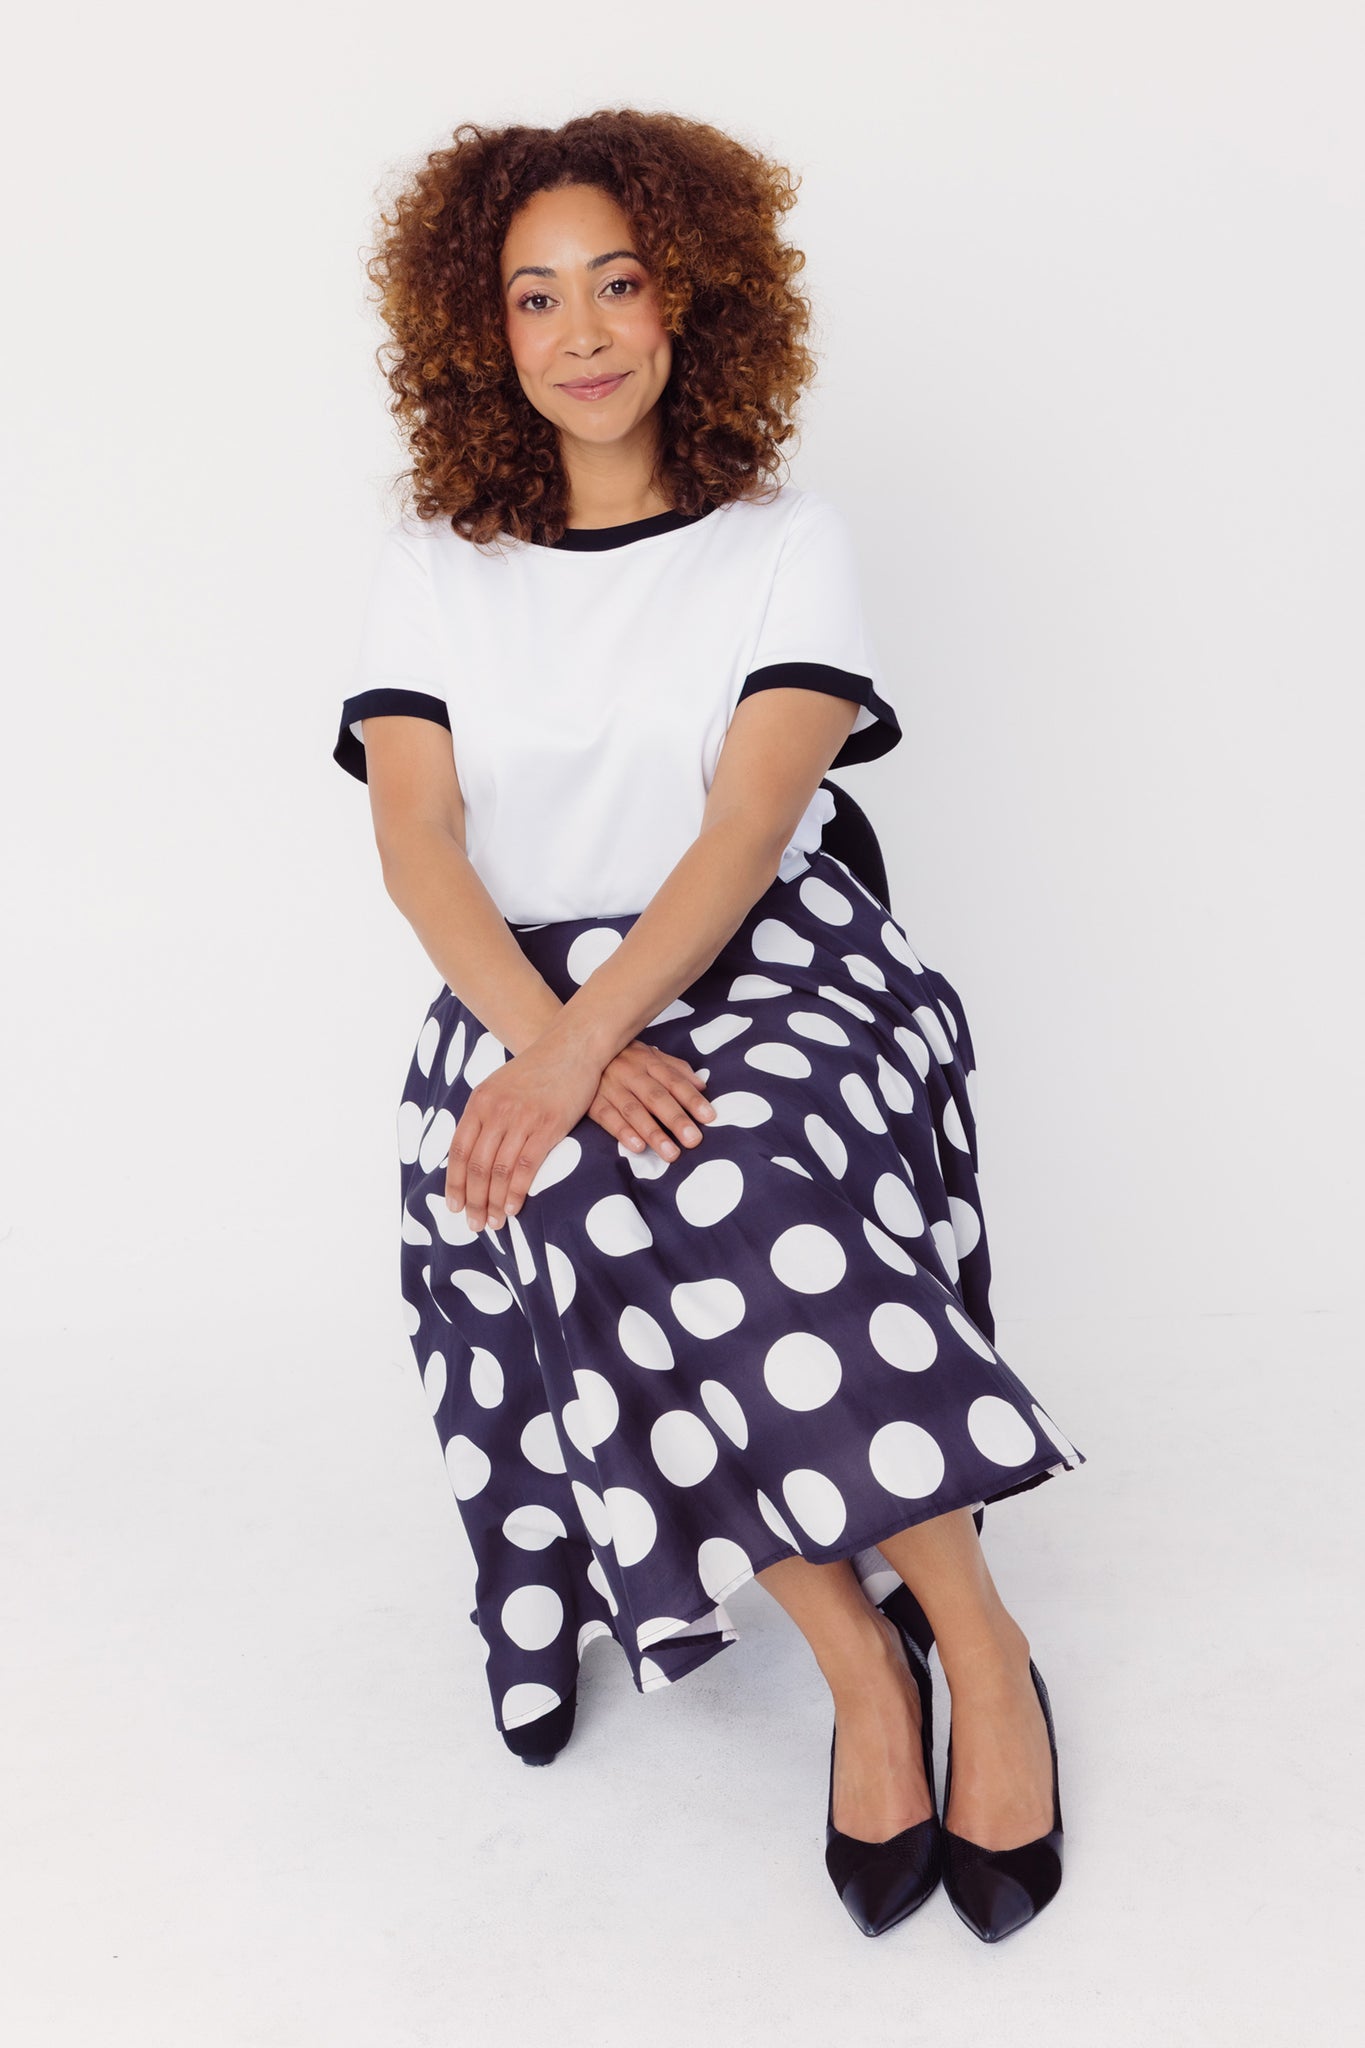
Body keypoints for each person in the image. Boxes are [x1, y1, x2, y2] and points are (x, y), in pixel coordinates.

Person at [332, 108, 1087, 1944]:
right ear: (479, 332)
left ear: (689, 301)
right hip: (513, 990)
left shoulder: (778, 540)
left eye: (618, 281)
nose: (580, 330)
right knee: (576, 1196)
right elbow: (420, 848)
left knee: (728, 1168)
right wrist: (553, 1043)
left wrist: (587, 1047)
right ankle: (854, 1664)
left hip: (772, 953)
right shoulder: (438, 567)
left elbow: (749, 825)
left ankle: (977, 1648)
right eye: (533, 297)